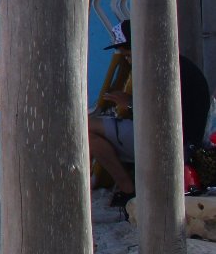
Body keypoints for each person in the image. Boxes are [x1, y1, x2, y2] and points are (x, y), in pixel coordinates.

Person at [86, 19, 212, 208]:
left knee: (86, 127)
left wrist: (128, 104)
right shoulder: (173, 63)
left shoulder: (162, 69)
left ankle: (127, 189)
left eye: (127, 55)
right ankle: (125, 186)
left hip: (174, 146)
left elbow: (159, 117)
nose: (127, 60)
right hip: (181, 141)